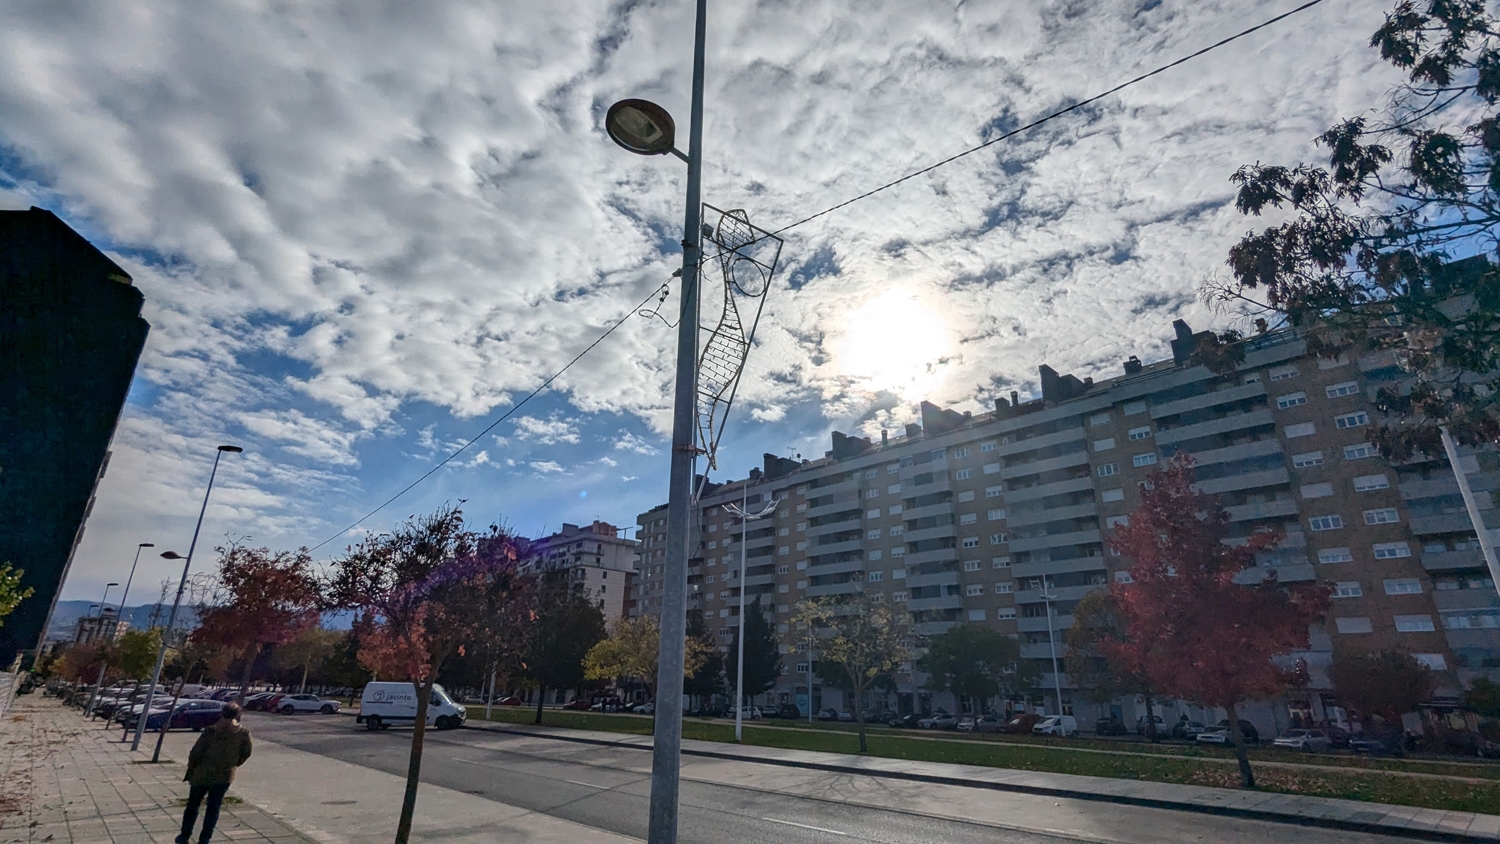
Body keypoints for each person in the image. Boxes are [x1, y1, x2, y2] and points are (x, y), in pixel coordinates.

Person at [178, 702, 253, 844]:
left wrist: (192, 766)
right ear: (238, 715)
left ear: (222, 713)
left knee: (193, 805)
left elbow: (196, 752)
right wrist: (233, 764)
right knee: (213, 807)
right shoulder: (243, 733)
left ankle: (184, 835)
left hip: (202, 773)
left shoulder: (211, 731)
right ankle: (205, 839)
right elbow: (246, 753)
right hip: (224, 775)